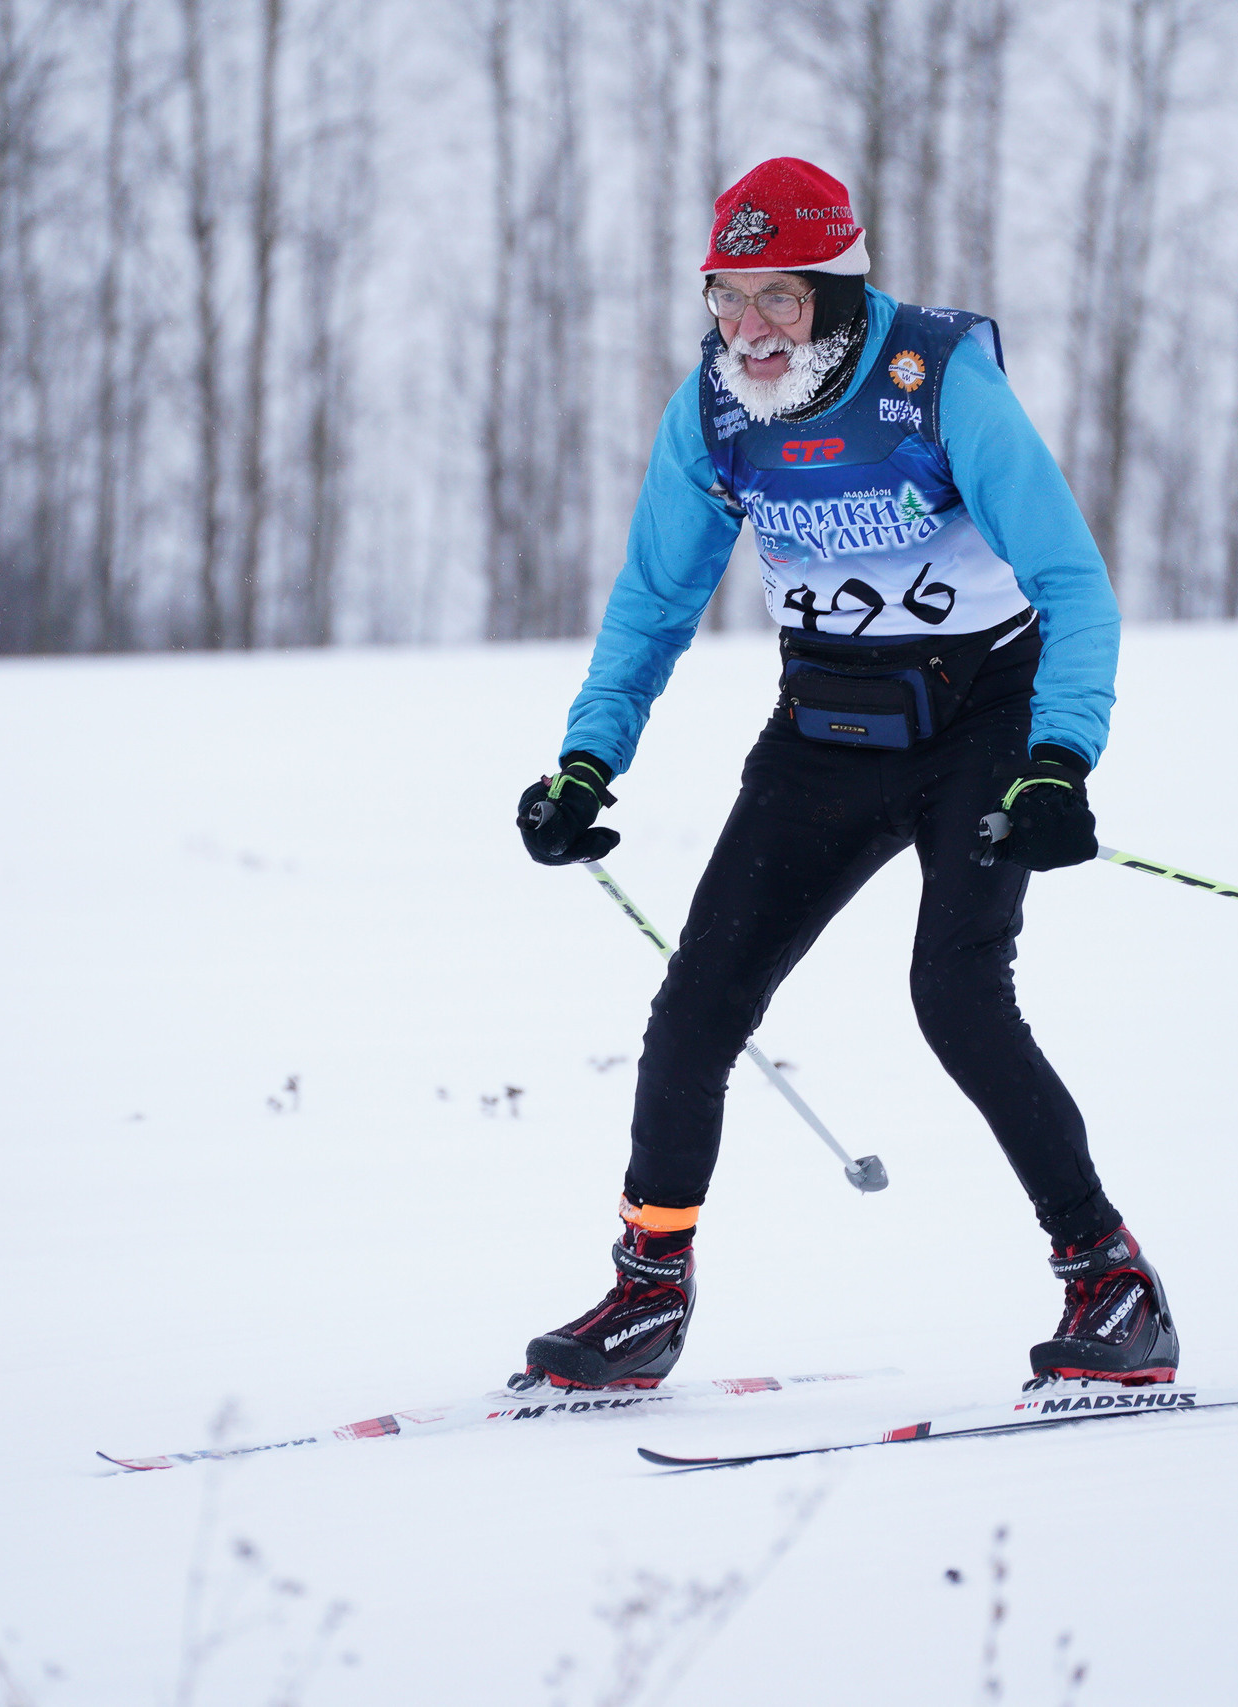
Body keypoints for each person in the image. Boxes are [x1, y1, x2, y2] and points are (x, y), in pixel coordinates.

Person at [512, 158, 1175, 1393]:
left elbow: (1073, 584)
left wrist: (1057, 761)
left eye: (779, 301)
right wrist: (588, 760)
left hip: (982, 721)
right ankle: (647, 1296)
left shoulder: (938, 386)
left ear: (835, 290)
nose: (750, 332)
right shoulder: (712, 412)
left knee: (956, 998)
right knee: (697, 1007)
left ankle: (1109, 1278)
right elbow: (658, 598)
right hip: (828, 729)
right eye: (727, 299)